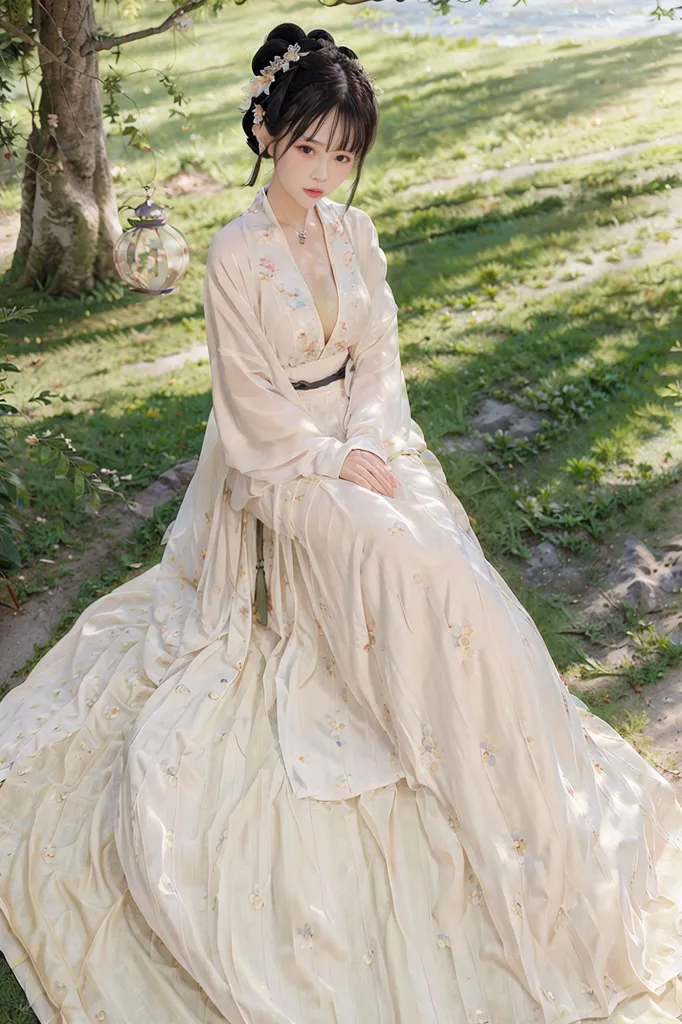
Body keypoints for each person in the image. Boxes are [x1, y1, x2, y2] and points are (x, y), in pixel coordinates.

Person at [1, 20, 682, 1024]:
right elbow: (250, 409)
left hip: (373, 440)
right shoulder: (235, 255)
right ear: (268, 133)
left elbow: (381, 366)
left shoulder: (357, 237)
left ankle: (521, 801)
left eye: (344, 152)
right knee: (404, 564)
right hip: (278, 465)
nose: (325, 169)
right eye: (309, 143)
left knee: (455, 575)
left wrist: (371, 445)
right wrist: (328, 461)